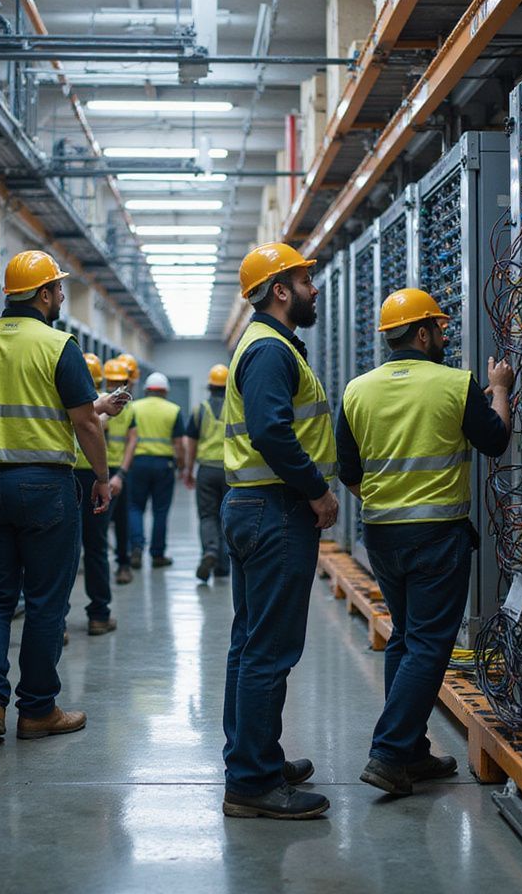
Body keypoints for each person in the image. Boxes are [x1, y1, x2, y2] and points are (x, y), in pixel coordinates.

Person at [336, 288, 513, 798]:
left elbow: (349, 472)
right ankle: (390, 754)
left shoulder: (357, 390)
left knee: (407, 637)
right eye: (439, 327)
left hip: (382, 535)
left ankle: (411, 751)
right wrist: (500, 387)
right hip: (436, 535)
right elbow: (496, 441)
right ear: (422, 333)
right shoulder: (456, 384)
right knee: (430, 644)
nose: (444, 334)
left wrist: (388, 503)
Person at [0, 250, 124, 741]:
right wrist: (100, 474)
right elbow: (85, 421)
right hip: (45, 485)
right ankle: (36, 710)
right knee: (47, 601)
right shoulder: (58, 345)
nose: (60, 297)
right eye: (57, 289)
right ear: (45, 294)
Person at [219, 242, 339, 821]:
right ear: (280, 290)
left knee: (250, 644)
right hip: (277, 509)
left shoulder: (269, 344)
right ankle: (252, 783)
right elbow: (270, 430)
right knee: (269, 649)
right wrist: (316, 489)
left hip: (255, 507)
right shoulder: (269, 349)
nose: (314, 289)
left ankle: (252, 756)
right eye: (304, 280)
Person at [74, 354, 131, 635]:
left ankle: (56, 623)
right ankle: (98, 614)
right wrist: (104, 478)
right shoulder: (99, 401)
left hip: (66, 476)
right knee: (96, 547)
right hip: (93, 478)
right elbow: (97, 427)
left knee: (60, 551)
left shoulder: (63, 397)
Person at [123, 372, 184, 569]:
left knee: (135, 507)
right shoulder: (173, 410)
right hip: (163, 466)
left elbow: (127, 437)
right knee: (160, 511)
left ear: (147, 390)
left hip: (137, 463)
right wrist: (182, 467)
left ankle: (136, 549)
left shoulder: (133, 408)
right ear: (165, 391)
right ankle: (157, 555)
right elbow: (179, 444)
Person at [182, 364, 230, 583]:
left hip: (207, 470)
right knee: (227, 517)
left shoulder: (199, 410)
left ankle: (210, 550)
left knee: (208, 515)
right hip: (232, 472)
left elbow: (190, 443)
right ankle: (223, 565)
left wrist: (188, 469)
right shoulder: (238, 407)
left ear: (210, 387)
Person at [104, 358, 138, 585]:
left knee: (121, 520)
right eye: (112, 382)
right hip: (96, 470)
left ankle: (123, 564)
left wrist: (121, 475)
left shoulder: (129, 408)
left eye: (120, 382)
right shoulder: (96, 403)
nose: (116, 386)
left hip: (117, 470)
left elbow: (131, 441)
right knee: (99, 526)